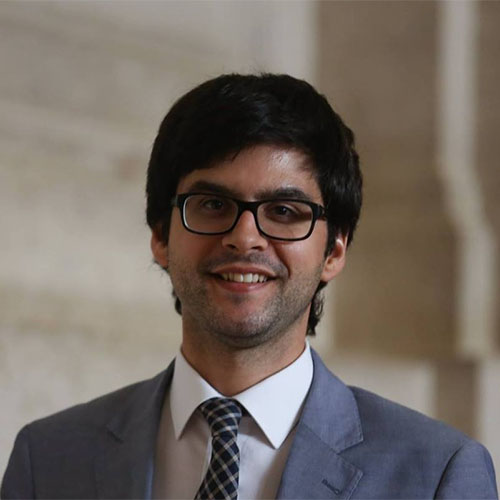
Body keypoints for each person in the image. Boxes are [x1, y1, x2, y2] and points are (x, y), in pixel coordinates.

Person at [1, 73, 497, 499]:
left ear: (334, 251)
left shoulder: (437, 476)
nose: (244, 237)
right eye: (212, 205)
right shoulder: (46, 460)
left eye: (283, 211)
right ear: (160, 237)